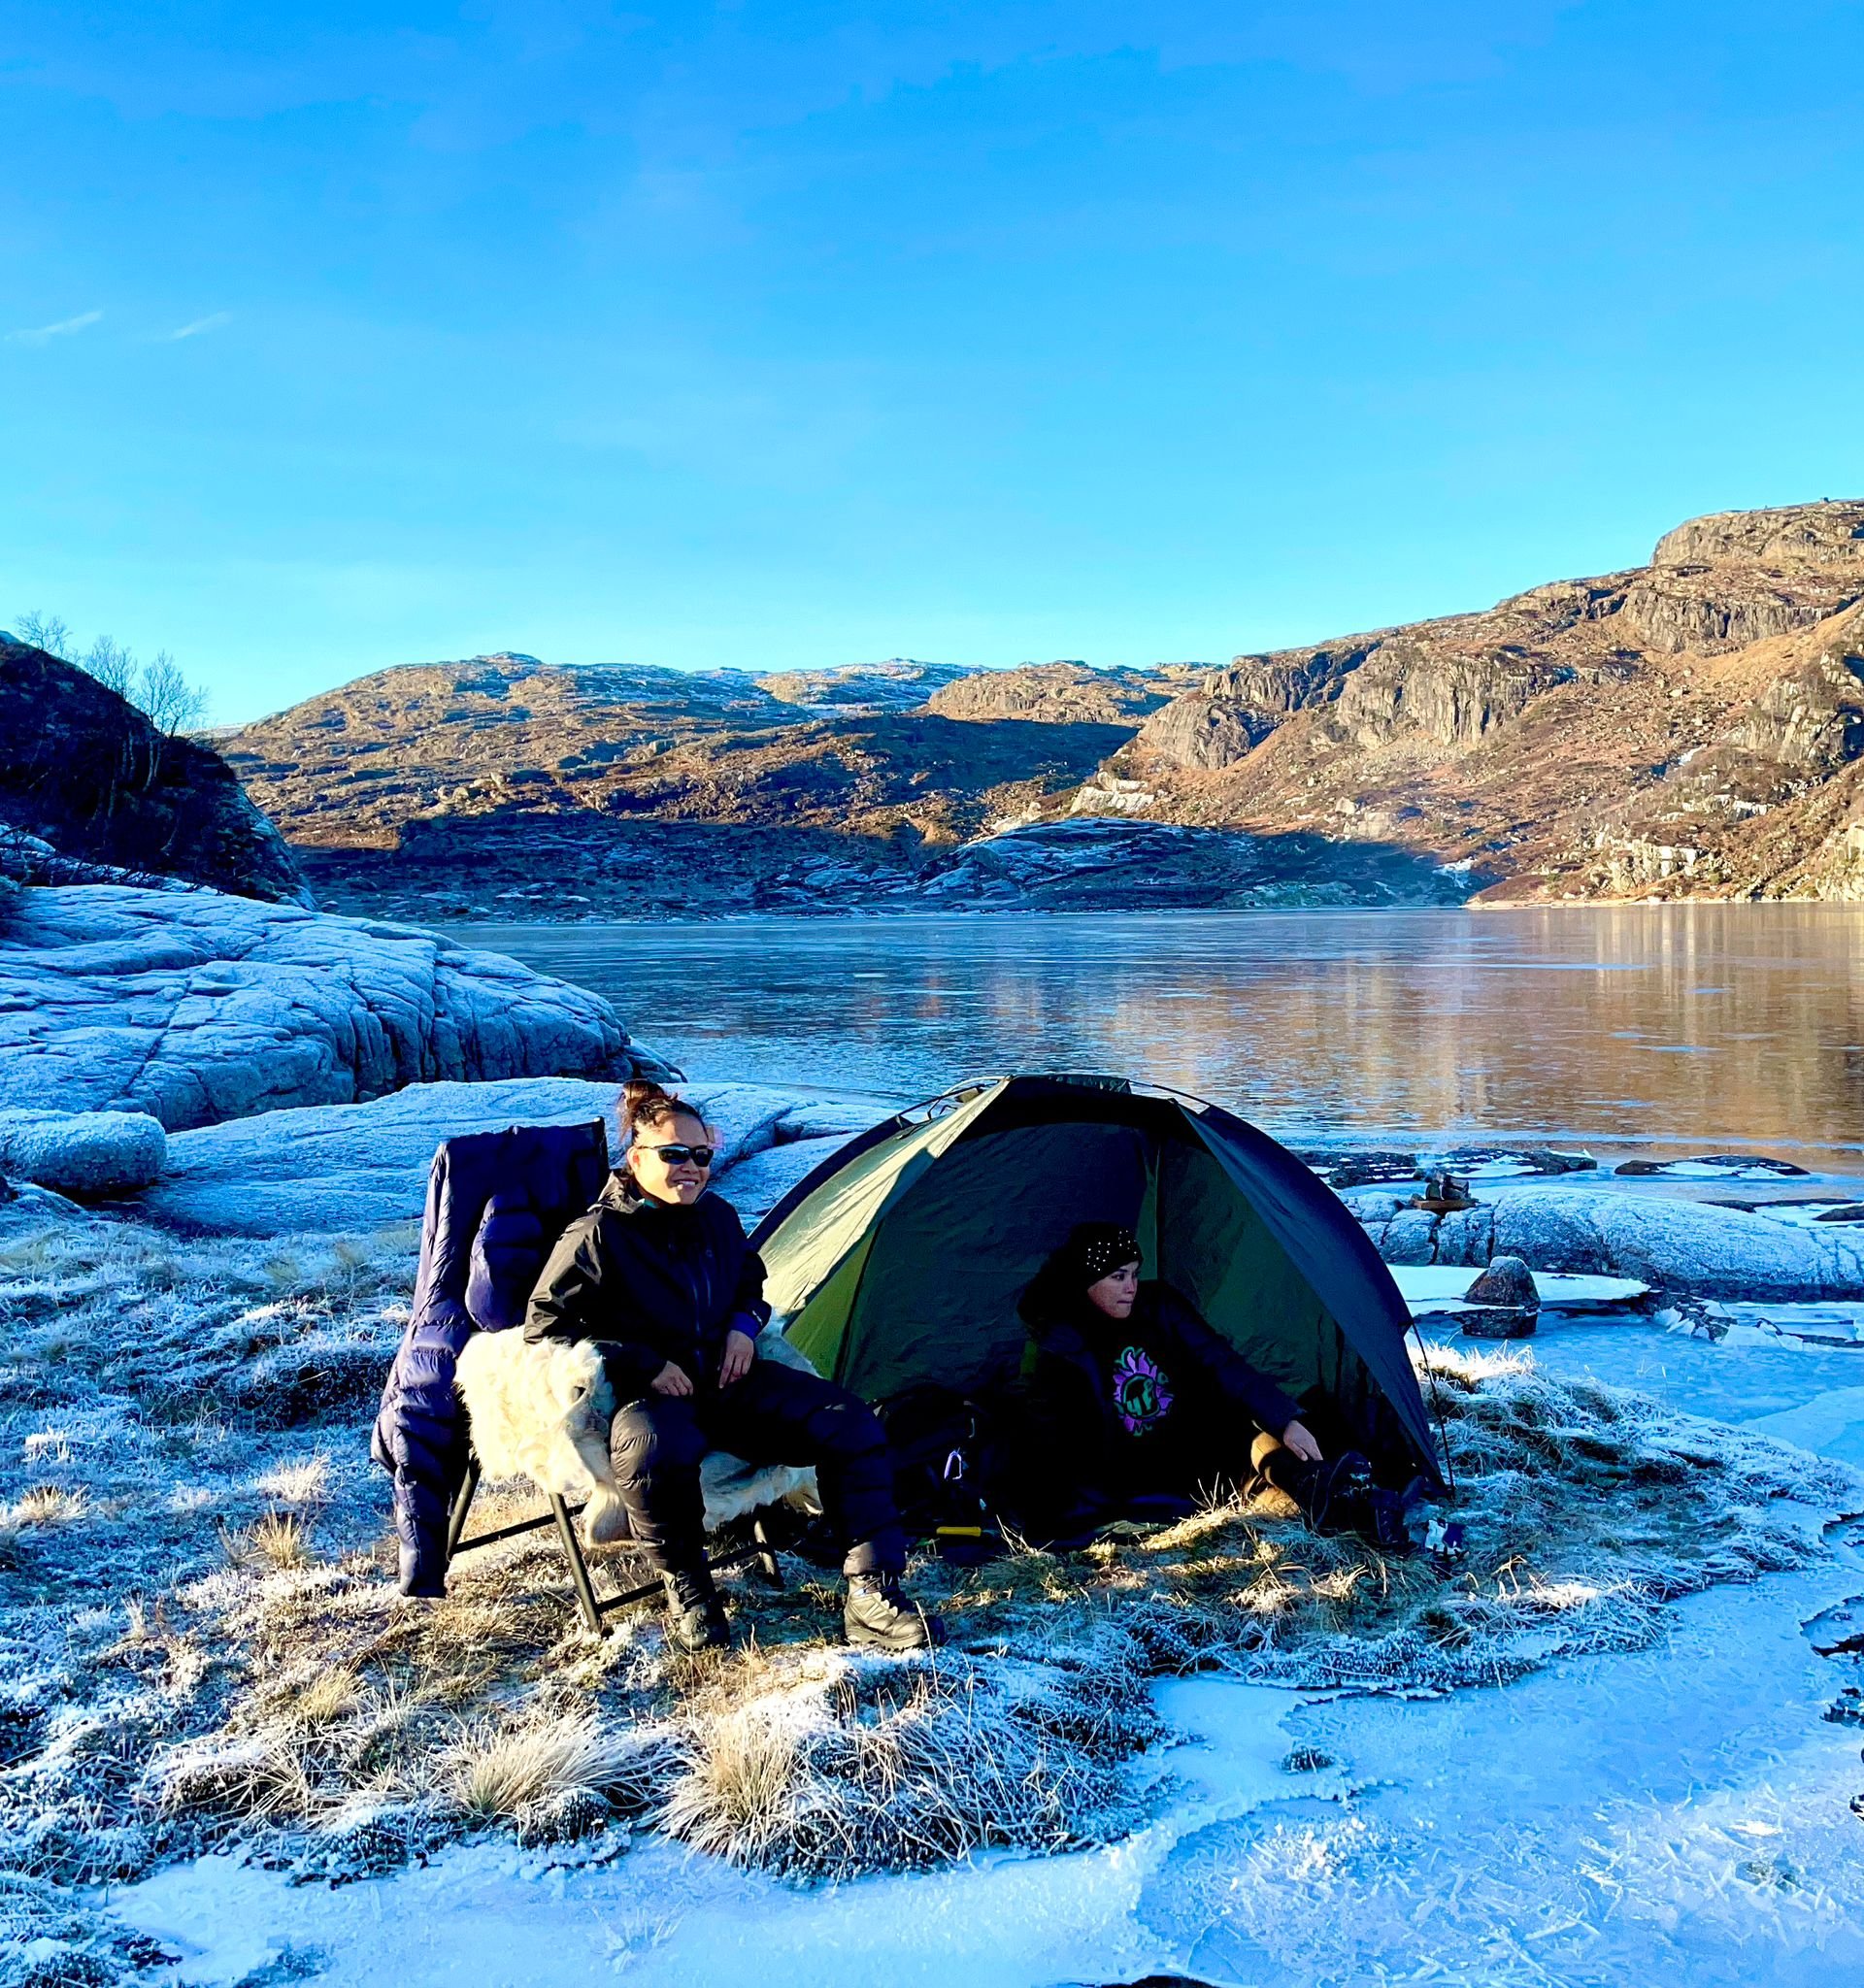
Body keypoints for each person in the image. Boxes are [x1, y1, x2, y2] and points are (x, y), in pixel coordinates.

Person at [524, 1079, 943, 1654]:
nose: (690, 1167)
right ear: (635, 1158)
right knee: (650, 1451)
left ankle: (871, 1594)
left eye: (700, 1155)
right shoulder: (597, 1235)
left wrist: (745, 1328)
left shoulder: (716, 1217)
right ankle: (690, 1589)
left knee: (849, 1421)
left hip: (729, 1382)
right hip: (653, 1396)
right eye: (673, 1154)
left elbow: (751, 1282)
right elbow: (546, 1326)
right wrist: (641, 1362)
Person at [1004, 1221, 1414, 1548]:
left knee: (1259, 1439)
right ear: (1085, 1283)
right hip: (1127, 1466)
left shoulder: (1158, 1306)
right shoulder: (1056, 1343)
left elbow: (1222, 1363)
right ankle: (1337, 1500)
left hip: (1196, 1441)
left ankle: (1334, 1496)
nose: (1131, 1287)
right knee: (1248, 1473)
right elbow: (1049, 1437)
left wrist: (1285, 1419)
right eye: (1117, 1277)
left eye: (1134, 1274)